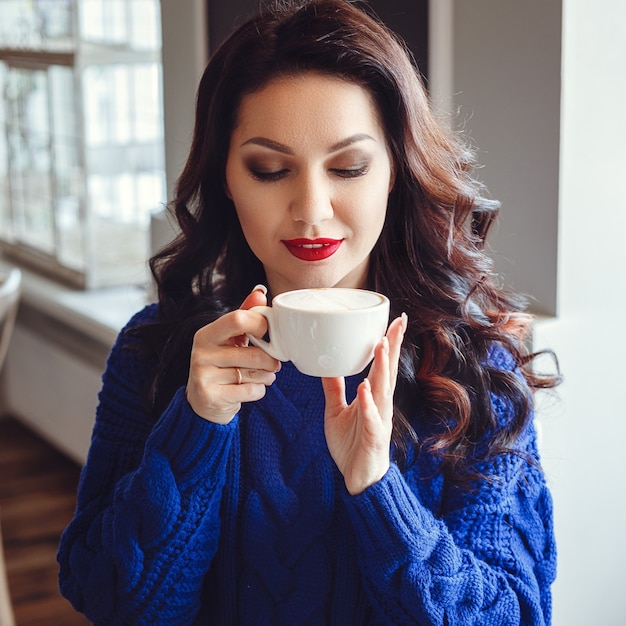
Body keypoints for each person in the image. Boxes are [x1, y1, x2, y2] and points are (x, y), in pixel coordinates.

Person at [57, 0, 559, 624]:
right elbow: (110, 599)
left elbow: (515, 613)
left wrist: (380, 491)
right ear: (227, 180)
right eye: (270, 170)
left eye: (348, 167)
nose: (312, 210)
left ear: (396, 171)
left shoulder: (476, 368)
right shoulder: (158, 352)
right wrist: (196, 426)